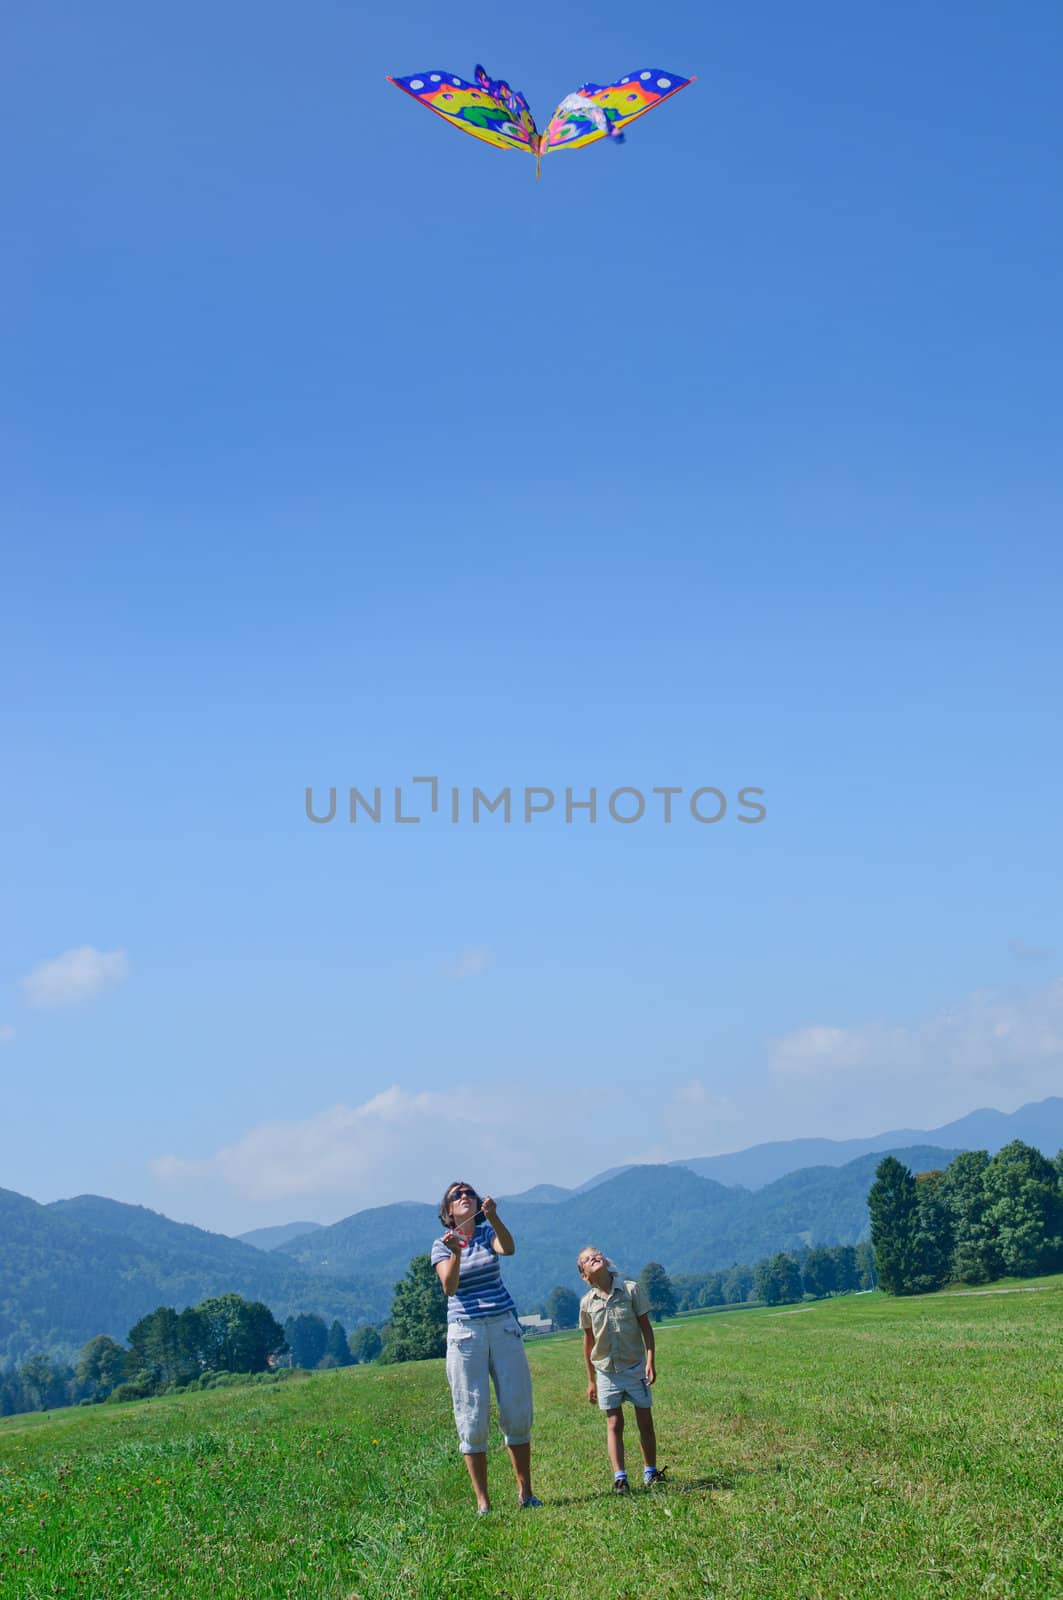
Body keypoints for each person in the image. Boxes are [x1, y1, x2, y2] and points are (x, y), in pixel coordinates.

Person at [431, 1181, 541, 1515]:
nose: (465, 1196)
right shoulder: (441, 1246)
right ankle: (483, 1502)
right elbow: (450, 1287)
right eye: (457, 1195)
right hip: (466, 1332)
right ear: (448, 1211)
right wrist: (457, 1251)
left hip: (503, 1324)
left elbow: (508, 1248)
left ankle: (526, 1493)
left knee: (517, 1408)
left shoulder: (485, 1234)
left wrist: (494, 1219)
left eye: (469, 1193)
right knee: (471, 1414)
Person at [577, 1246, 666, 1494]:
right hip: (606, 1371)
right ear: (585, 1276)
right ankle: (620, 1477)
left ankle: (650, 1471)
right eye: (586, 1259)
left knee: (645, 1420)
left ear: (605, 1261)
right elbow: (588, 1342)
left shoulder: (630, 1290)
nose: (593, 1258)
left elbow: (646, 1328)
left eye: (596, 1254)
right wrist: (591, 1380)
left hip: (635, 1366)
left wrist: (650, 1360)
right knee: (614, 1422)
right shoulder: (587, 1303)